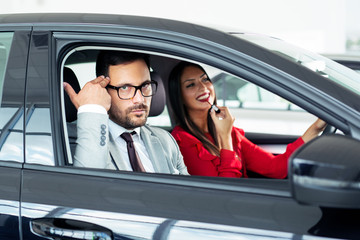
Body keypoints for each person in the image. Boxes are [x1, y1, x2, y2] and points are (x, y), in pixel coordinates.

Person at [168, 61, 326, 178]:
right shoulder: (181, 142)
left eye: (205, 80)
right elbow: (224, 193)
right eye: (190, 85)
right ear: (179, 96)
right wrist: (225, 137)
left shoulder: (232, 133)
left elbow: (276, 167)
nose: (203, 88)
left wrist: (316, 128)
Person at [64, 50, 188, 174]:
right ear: (104, 91)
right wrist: (92, 110)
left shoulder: (165, 140)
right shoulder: (71, 138)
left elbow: (188, 192)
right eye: (124, 88)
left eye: (145, 85)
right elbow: (88, 186)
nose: (140, 99)